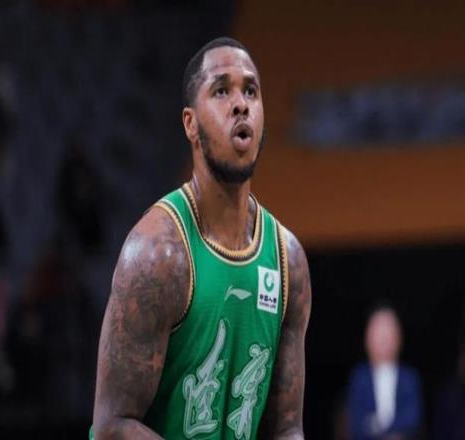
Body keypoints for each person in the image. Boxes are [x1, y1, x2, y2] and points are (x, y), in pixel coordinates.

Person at [91, 37, 312, 439]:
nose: (241, 104)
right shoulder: (157, 254)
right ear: (190, 124)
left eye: (250, 91)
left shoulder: (288, 261)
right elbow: (111, 427)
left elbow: (287, 429)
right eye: (222, 91)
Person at [347, 304, 422, 440]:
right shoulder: (359, 378)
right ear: (367, 338)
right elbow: (356, 424)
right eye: (378, 331)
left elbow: (413, 419)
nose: (383, 338)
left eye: (388, 331)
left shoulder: (410, 378)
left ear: (399, 337)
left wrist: (377, 426)